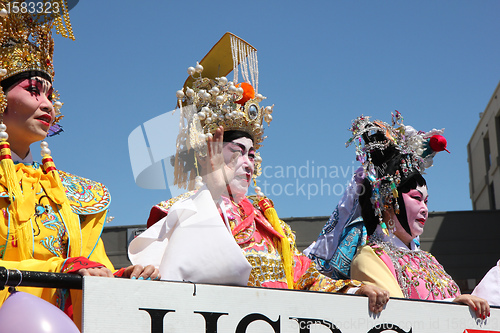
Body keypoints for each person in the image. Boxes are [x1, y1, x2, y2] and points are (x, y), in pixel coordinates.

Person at [129, 32, 389, 313]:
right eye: (236, 150)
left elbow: (306, 279)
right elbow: (162, 273)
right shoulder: (179, 212)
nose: (248, 162)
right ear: (206, 153)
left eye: (251, 154)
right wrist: (213, 194)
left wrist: (353, 288)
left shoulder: (270, 224)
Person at [0, 2, 158, 328]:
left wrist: (122, 276)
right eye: (33, 91)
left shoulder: (70, 193)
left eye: (50, 95)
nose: (47, 105)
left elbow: (91, 265)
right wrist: (59, 270)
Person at [308, 112, 489, 319]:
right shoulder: (371, 258)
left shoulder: (429, 260)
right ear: (387, 201)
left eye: (426, 201)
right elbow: (400, 319)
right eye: (416, 198)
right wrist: (452, 304)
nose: (424, 209)